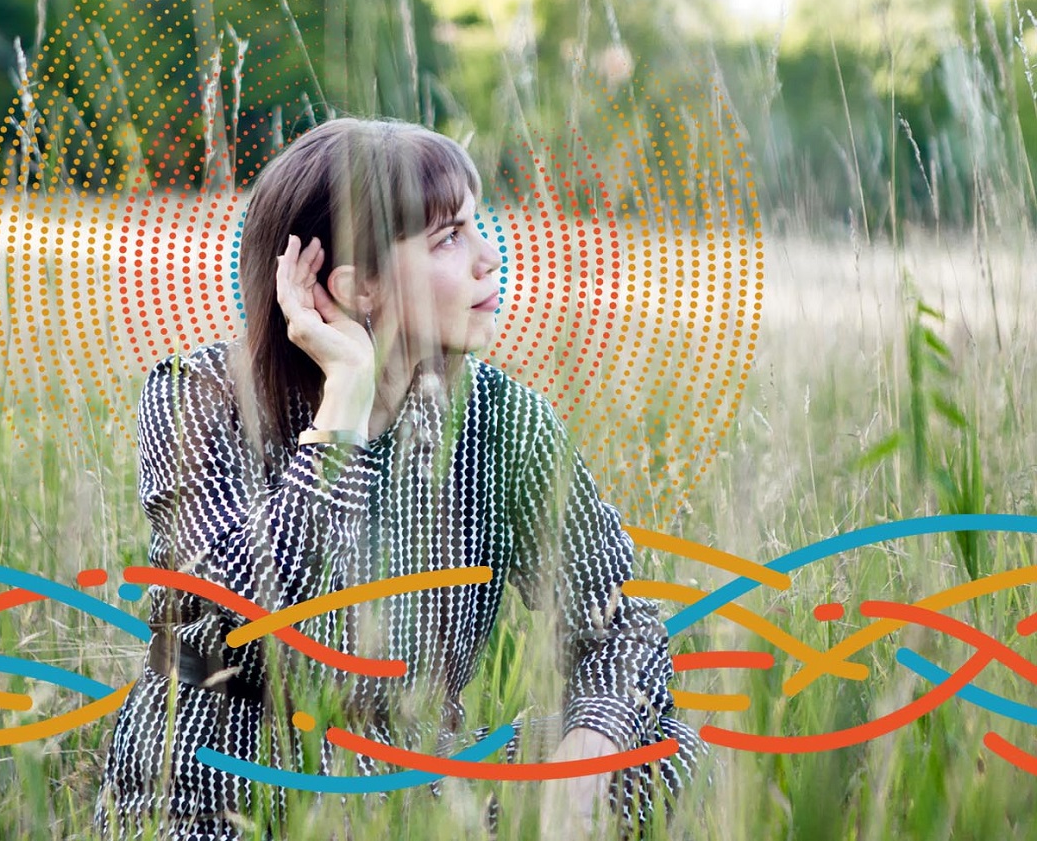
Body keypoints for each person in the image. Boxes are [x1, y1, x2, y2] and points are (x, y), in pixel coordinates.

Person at [94, 117, 703, 839]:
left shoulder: (499, 420)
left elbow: (620, 623)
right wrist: (343, 407)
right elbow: (255, 615)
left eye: (479, 226)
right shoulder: (197, 396)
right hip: (224, 787)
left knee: (665, 745)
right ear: (358, 287)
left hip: (412, 785)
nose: (489, 258)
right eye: (448, 237)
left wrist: (582, 764)